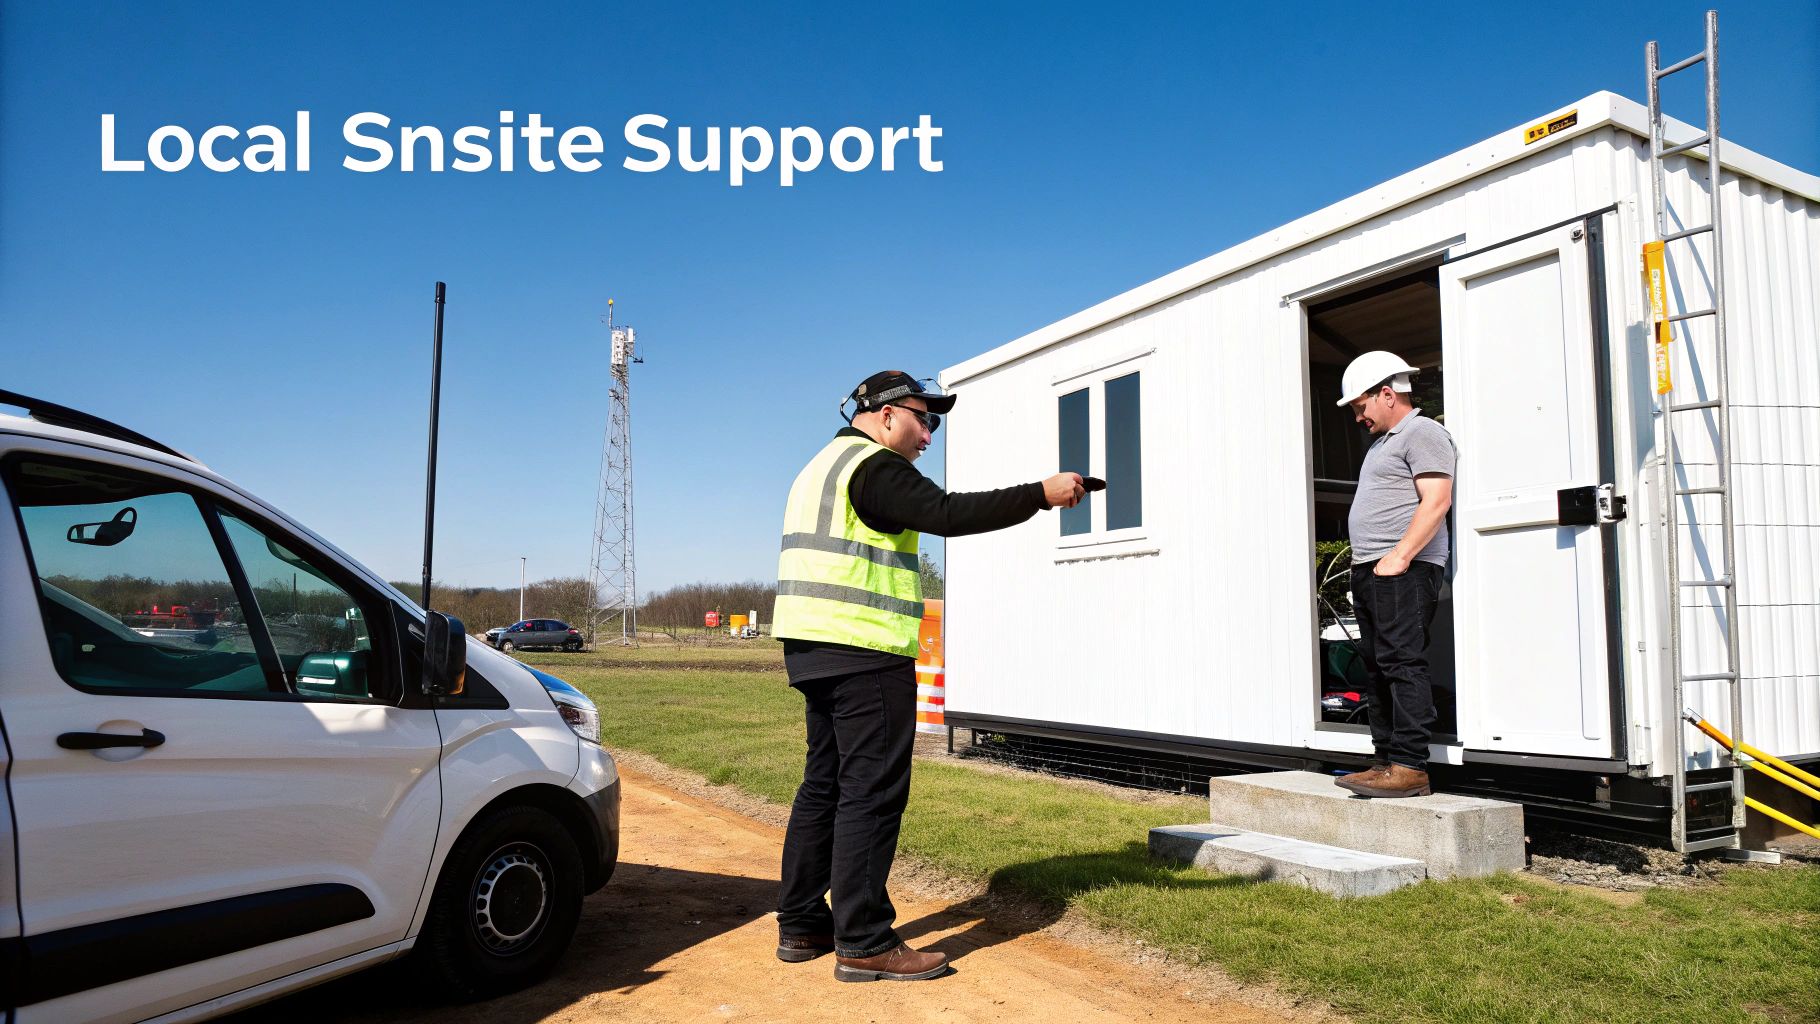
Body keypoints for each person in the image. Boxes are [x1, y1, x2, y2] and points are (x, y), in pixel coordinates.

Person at [771, 370, 1085, 982]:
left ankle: (803, 921)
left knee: (825, 785)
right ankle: (862, 941)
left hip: (813, 648)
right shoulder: (876, 466)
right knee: (871, 790)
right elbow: (946, 512)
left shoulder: (820, 467)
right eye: (925, 418)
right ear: (887, 414)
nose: (930, 434)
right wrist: (1040, 494)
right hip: (866, 650)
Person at [1331, 352, 1455, 800]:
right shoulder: (1383, 443)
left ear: (1387, 394)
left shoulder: (1423, 432)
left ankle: (1410, 766)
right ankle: (1385, 761)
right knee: (1378, 666)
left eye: (1361, 406)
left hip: (1402, 567)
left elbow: (1437, 499)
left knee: (1402, 662)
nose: (1359, 416)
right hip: (1372, 568)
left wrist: (1400, 556)